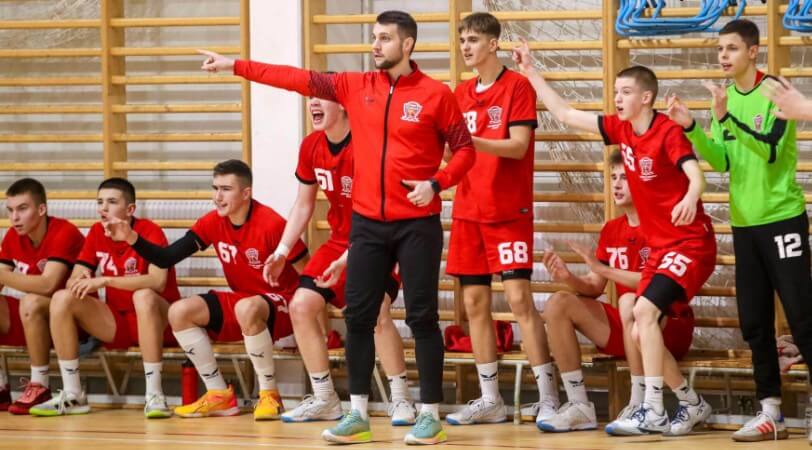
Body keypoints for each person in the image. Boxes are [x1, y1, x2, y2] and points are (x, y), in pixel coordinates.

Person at [198, 10, 475, 445]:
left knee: (422, 318)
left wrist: (436, 183)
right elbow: (293, 78)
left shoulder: (436, 94)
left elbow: (465, 151)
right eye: (374, 37)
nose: (375, 45)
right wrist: (236, 65)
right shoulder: (354, 85)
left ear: (407, 44)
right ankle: (357, 415)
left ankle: (429, 416)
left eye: (385, 38)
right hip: (367, 226)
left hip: (416, 225)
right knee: (358, 318)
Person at [514, 40, 717, 435]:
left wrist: (692, 195)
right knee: (639, 324)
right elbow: (565, 113)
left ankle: (653, 409)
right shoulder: (621, 130)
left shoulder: (666, 131)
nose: (617, 98)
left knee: (643, 312)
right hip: (664, 248)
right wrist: (531, 71)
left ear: (646, 97)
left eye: (625, 92)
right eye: (615, 92)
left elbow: (696, 173)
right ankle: (690, 403)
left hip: (691, 242)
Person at [667, 19, 811, 442]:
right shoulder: (725, 98)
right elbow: (722, 161)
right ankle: (770, 411)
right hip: (745, 224)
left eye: (731, 48)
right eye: (719, 49)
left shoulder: (775, 92)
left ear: (752, 51)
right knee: (754, 322)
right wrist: (693, 128)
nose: (723, 56)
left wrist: (727, 118)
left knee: (802, 317)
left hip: (782, 218)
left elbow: (769, 150)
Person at [105, 160, 307, 421]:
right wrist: (131, 237)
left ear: (246, 193)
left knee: (247, 307)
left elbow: (308, 272)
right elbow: (167, 258)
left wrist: (311, 322)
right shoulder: (212, 222)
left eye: (226, 189)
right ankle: (218, 394)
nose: (217, 197)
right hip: (245, 302)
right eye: (215, 188)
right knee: (179, 312)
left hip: (284, 304)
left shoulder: (271, 223)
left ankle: (269, 394)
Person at [539, 149, 708, 435]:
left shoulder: (662, 224)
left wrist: (604, 270)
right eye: (613, 177)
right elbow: (594, 286)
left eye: (625, 178)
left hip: (669, 324)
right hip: (629, 325)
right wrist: (568, 277)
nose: (616, 184)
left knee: (631, 301)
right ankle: (579, 405)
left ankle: (640, 401)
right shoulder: (611, 229)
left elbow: (656, 281)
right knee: (558, 303)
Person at [443, 12, 557, 427]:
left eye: (473, 40)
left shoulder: (517, 87)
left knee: (519, 301)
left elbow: (518, 145)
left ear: (493, 44)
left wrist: (471, 142)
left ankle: (549, 396)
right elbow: (452, 152)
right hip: (468, 211)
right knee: (473, 303)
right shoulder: (459, 93)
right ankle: (490, 398)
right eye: (462, 40)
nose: (466, 47)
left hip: (508, 211)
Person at [274, 96, 415, 425]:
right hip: (340, 239)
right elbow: (304, 204)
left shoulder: (368, 145)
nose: (312, 104)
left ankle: (401, 398)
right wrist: (282, 250)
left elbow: (378, 211)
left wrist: (349, 258)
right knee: (301, 305)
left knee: (376, 312)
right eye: (309, 99)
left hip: (380, 237)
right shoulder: (311, 146)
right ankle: (325, 398)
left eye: (320, 99)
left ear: (342, 105)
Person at [28, 178, 180, 417]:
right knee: (62, 298)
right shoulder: (97, 232)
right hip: (119, 322)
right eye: (100, 202)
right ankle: (73, 393)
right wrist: (78, 279)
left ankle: (154, 394)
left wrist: (105, 280)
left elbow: (157, 281)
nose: (103, 208)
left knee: (143, 296)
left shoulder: (150, 231)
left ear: (130, 209)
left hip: (160, 322)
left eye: (112, 202)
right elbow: (73, 279)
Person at [0, 178, 84, 414]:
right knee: (30, 303)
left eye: (22, 209)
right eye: (10, 210)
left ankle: (39, 384)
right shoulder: (13, 236)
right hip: (36, 319)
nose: (15, 217)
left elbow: (48, 285)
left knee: (31, 300)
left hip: (74, 320)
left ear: (41, 209)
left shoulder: (64, 232)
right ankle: (0, 387)